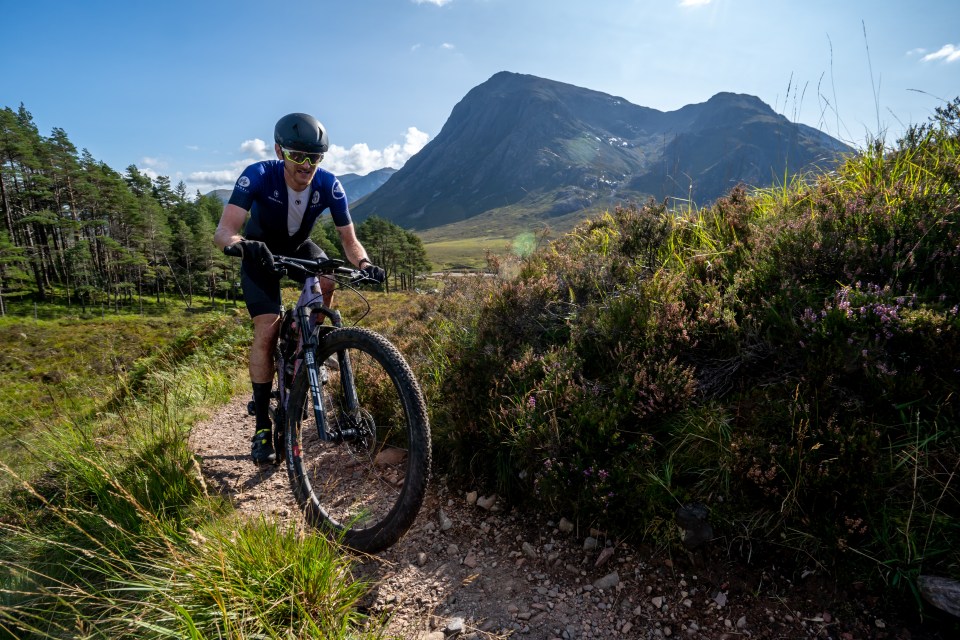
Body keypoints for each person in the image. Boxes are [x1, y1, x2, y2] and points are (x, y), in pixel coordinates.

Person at [214, 112, 386, 464]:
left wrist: (365, 265)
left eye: (315, 157)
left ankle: (312, 348)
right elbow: (224, 231)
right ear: (280, 151)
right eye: (297, 155)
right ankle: (262, 425)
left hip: (299, 248)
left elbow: (349, 242)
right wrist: (241, 244)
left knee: (327, 277)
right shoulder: (258, 176)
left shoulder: (329, 185)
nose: (306, 165)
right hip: (260, 252)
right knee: (267, 330)